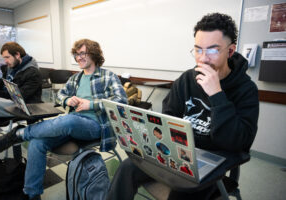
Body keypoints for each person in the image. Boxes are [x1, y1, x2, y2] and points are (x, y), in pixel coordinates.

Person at [107, 13, 259, 200]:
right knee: (127, 168)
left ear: (230, 51)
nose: (202, 59)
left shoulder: (246, 89)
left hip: (216, 157)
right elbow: (168, 118)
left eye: (212, 50)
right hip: (180, 153)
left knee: (182, 193)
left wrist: (217, 96)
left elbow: (240, 142)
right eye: (198, 50)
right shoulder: (187, 79)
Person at [0, 38, 127, 200]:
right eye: (76, 54)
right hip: (74, 123)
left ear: (94, 54)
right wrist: (68, 100)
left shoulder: (108, 76)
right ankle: (32, 194)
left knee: (68, 121)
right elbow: (61, 95)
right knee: (37, 143)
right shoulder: (76, 78)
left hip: (97, 126)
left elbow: (121, 101)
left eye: (82, 53)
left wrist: (92, 104)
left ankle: (19, 133)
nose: (78, 57)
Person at [0, 42, 42, 122]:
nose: (5, 61)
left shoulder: (32, 72)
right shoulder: (11, 67)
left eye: (7, 57)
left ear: (17, 55)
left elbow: (18, 96)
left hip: (23, 105)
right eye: (4, 58)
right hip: (8, 100)